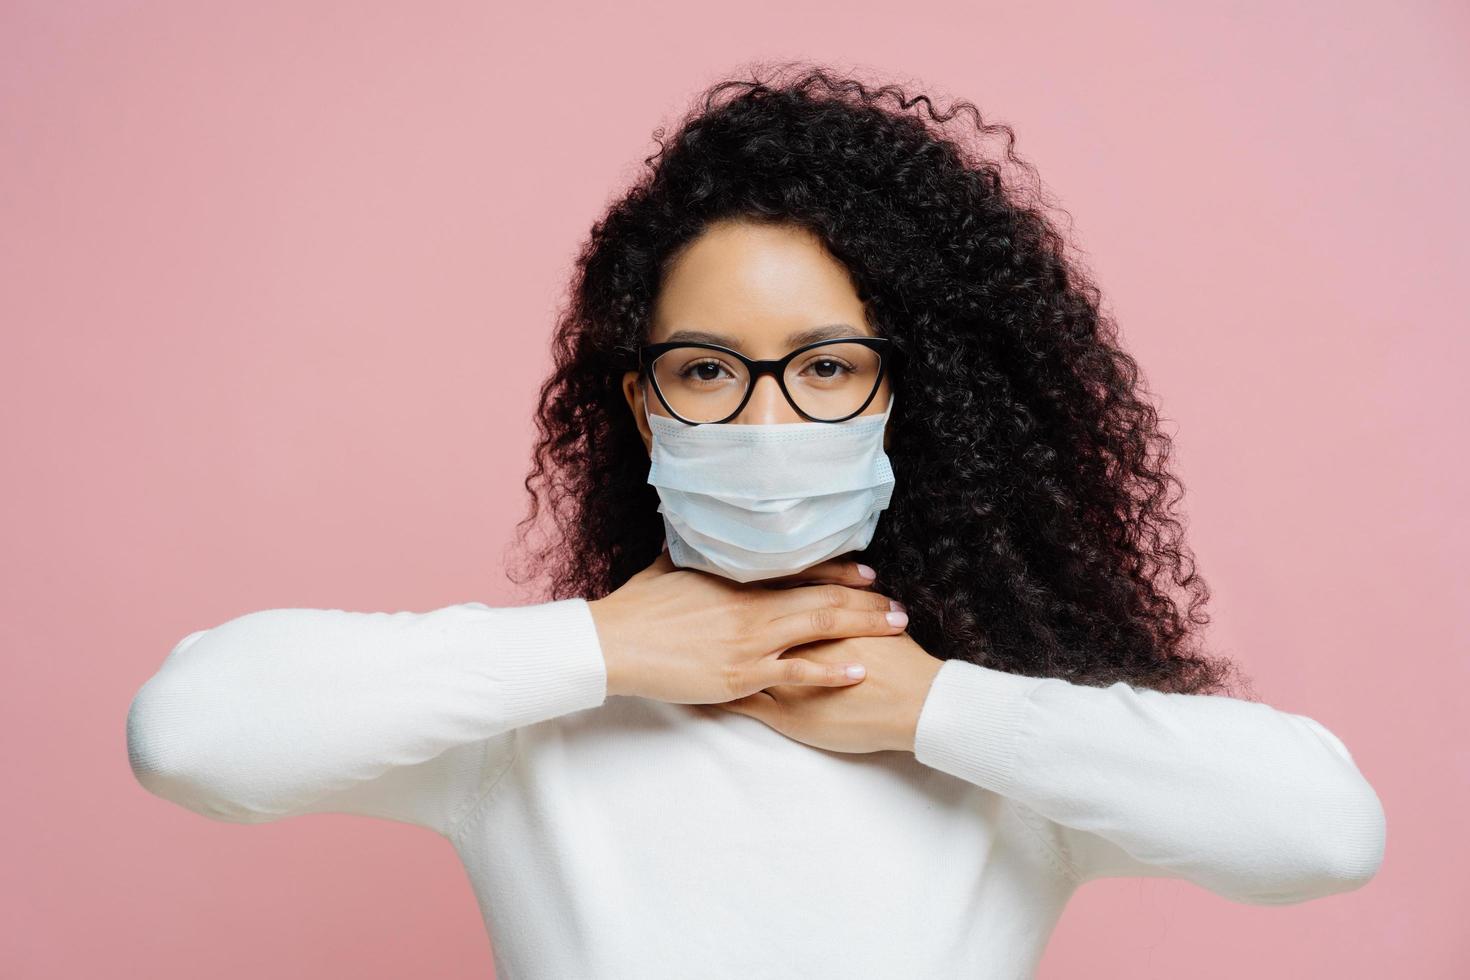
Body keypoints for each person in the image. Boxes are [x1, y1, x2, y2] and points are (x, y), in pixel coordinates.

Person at [125, 65, 1386, 979]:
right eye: (709, 368)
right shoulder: (531, 728)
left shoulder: (1010, 753)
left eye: (827, 366)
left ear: (911, 392)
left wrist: (927, 706)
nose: (766, 418)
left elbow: (1324, 831)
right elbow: (193, 732)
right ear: (642, 398)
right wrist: (608, 649)